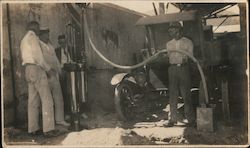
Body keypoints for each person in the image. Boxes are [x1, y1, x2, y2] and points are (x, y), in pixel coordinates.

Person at [20, 21, 59, 137]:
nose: (39, 30)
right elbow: (38, 58)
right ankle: (48, 130)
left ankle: (33, 129)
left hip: (28, 69)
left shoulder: (24, 39)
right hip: (37, 69)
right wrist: (48, 70)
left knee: (32, 101)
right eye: (37, 28)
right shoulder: (33, 38)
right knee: (47, 99)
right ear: (34, 28)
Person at [163, 22, 195, 127]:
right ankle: (172, 119)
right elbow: (168, 56)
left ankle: (190, 119)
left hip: (183, 69)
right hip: (172, 69)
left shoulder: (188, 42)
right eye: (169, 31)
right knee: (173, 95)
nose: (170, 32)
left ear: (178, 30)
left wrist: (182, 57)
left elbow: (190, 57)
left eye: (172, 30)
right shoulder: (168, 44)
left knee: (186, 94)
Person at [39, 28, 70, 127]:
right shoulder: (39, 45)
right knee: (47, 100)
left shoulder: (49, 45)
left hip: (54, 74)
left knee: (59, 98)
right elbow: (40, 61)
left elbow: (56, 60)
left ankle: (60, 119)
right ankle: (48, 123)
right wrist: (48, 71)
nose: (48, 36)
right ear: (41, 35)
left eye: (48, 34)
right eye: (46, 35)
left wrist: (59, 72)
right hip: (45, 75)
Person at [55, 35, 74, 118]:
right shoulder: (56, 51)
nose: (63, 44)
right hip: (62, 71)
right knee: (64, 92)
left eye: (64, 42)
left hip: (72, 71)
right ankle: (66, 112)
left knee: (73, 91)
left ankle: (75, 110)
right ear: (59, 43)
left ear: (67, 42)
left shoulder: (72, 49)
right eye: (61, 43)